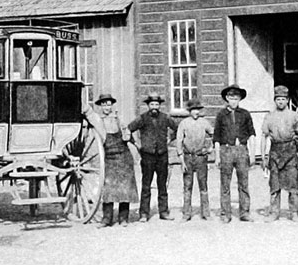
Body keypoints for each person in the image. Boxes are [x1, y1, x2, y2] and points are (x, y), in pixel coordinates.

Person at [85, 93, 136, 226]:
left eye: (108, 104)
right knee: (107, 188)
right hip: (108, 157)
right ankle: (107, 219)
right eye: (104, 104)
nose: (106, 107)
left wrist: (127, 134)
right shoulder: (98, 120)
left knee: (125, 188)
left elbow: (127, 135)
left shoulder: (119, 118)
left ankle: (123, 218)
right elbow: (88, 114)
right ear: (100, 106)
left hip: (124, 156)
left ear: (111, 105)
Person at [128, 92, 179, 221]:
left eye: (157, 104)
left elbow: (178, 128)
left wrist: (170, 139)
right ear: (148, 105)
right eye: (152, 104)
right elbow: (128, 129)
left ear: (160, 105)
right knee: (146, 185)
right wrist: (137, 144)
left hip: (162, 155)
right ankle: (144, 214)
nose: (154, 107)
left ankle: (164, 212)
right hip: (147, 156)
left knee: (162, 185)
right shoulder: (142, 118)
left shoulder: (166, 118)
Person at [259, 85, 298, 221]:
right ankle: (274, 212)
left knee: (293, 183)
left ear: (287, 100)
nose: (281, 102)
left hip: (290, 151)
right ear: (275, 100)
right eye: (278, 99)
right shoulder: (269, 116)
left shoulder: (294, 116)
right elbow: (264, 136)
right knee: (274, 184)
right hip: (275, 151)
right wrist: (263, 157)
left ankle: (294, 212)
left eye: (283, 99)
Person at [213, 84, 255, 222]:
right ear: (226, 98)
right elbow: (217, 138)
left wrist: (253, 154)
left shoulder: (245, 114)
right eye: (231, 97)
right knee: (225, 184)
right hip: (226, 151)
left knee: (243, 183)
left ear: (240, 99)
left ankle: (244, 213)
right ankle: (225, 214)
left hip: (241, 150)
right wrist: (217, 156)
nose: (234, 100)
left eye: (236, 97)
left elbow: (252, 134)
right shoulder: (221, 115)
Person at [177, 97, 214, 220]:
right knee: (187, 186)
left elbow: (215, 134)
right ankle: (186, 214)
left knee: (203, 185)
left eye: (198, 110)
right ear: (189, 111)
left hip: (201, 158)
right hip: (188, 157)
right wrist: (182, 161)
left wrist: (210, 148)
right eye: (193, 110)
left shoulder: (204, 122)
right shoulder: (184, 123)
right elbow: (179, 142)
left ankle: (206, 213)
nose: (196, 112)